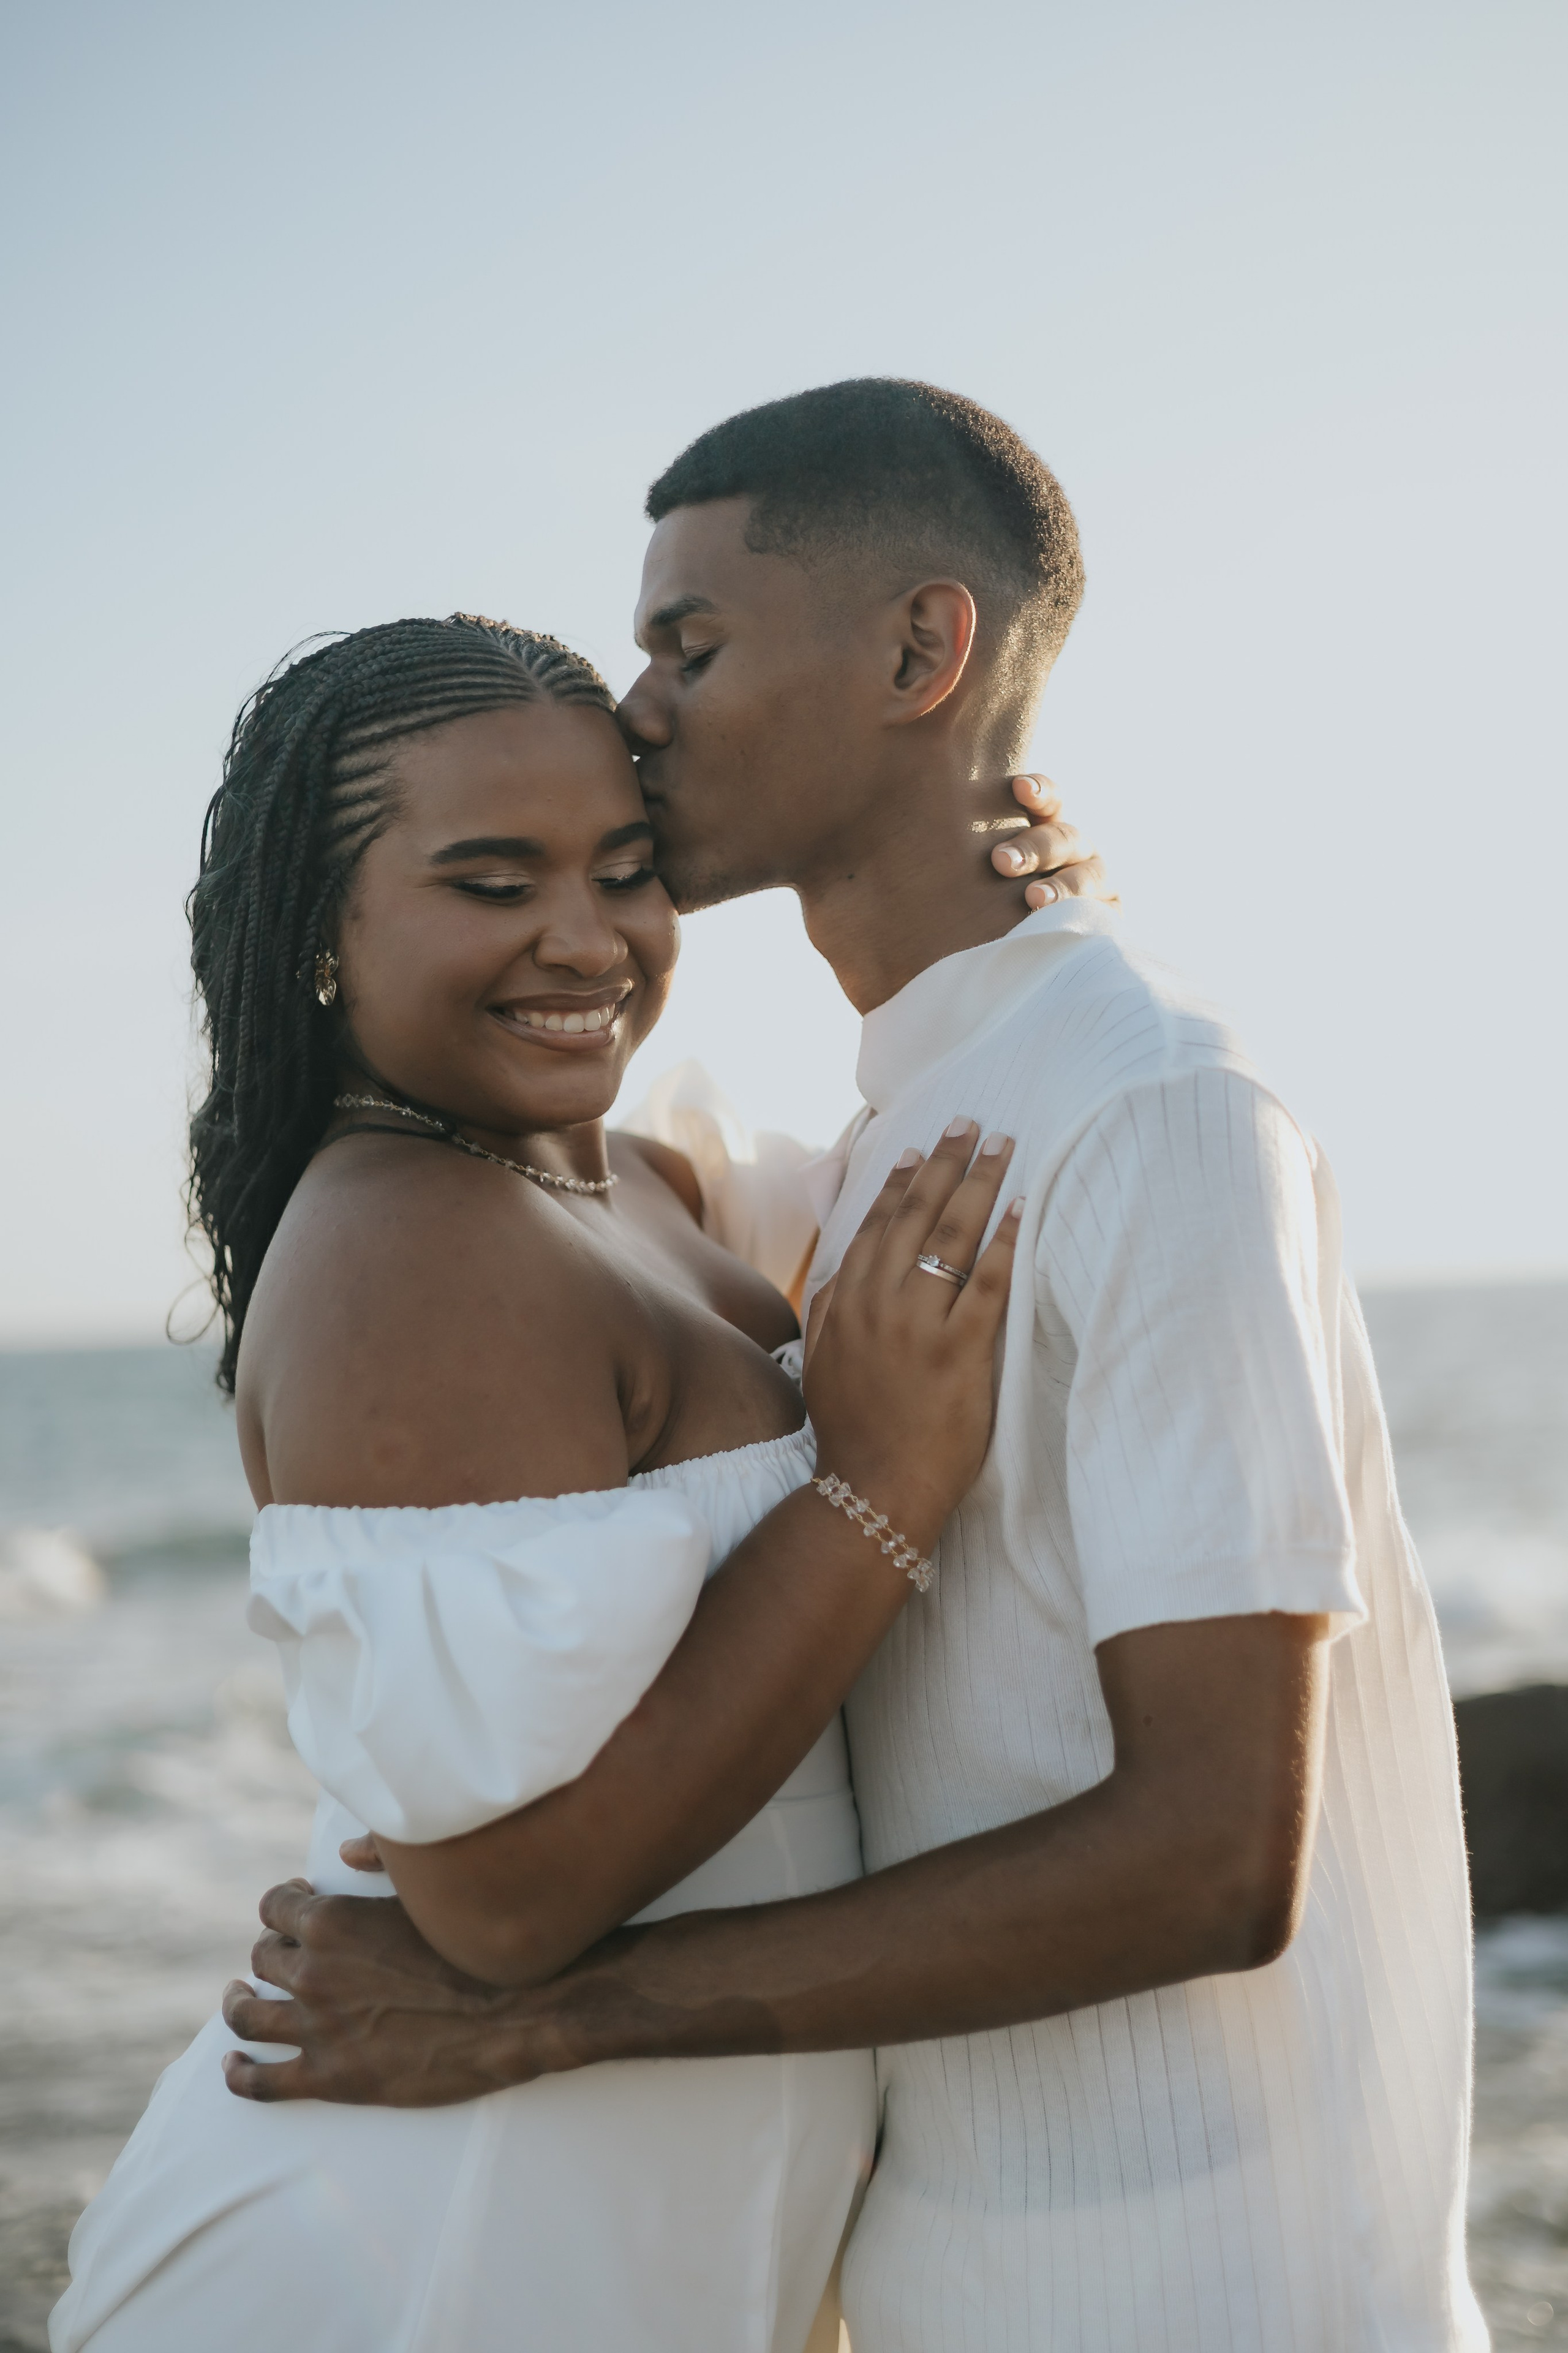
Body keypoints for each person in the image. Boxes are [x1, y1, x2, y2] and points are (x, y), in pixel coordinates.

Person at [215, 382, 1485, 2353]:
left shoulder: (1152, 1114)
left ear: (922, 650)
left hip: (1199, 2291)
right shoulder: (905, 1125)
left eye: (690, 646)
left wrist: (536, 2005)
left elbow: (1219, 1851)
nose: (639, 707)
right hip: (942, 2278)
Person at [50, 612, 1107, 2353]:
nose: (584, 937)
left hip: (627, 2211)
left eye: (626, 868)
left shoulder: (627, 1179)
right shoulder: (408, 1251)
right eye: (490, 879)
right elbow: (506, 1904)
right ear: (324, 933)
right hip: (438, 2247)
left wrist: (1014, 926)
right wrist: (880, 1491)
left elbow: (910, 1187)